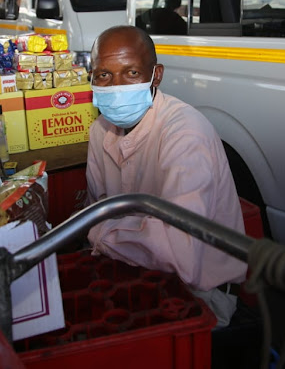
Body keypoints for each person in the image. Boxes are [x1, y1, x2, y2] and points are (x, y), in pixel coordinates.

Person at [85, 25, 247, 327]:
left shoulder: (185, 132)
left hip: (202, 296)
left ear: (155, 75)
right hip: (140, 276)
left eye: (131, 73)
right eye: (104, 75)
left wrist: (98, 233)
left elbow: (177, 248)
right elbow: (99, 204)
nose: (116, 86)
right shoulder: (101, 130)